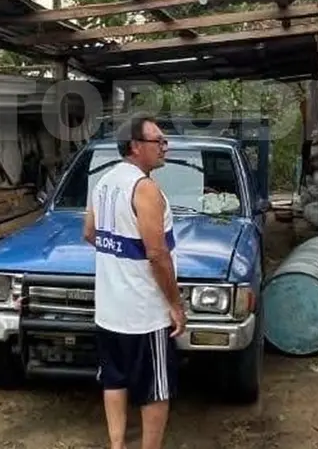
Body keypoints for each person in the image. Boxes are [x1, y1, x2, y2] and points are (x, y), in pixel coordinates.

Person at [84, 114, 187, 449]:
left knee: (114, 380)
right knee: (155, 389)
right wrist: (174, 304)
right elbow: (157, 254)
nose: (164, 147)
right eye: (158, 141)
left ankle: (117, 445)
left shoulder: (103, 183)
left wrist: (117, 257)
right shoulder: (145, 189)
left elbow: (89, 233)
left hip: (109, 310)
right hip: (144, 314)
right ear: (135, 147)